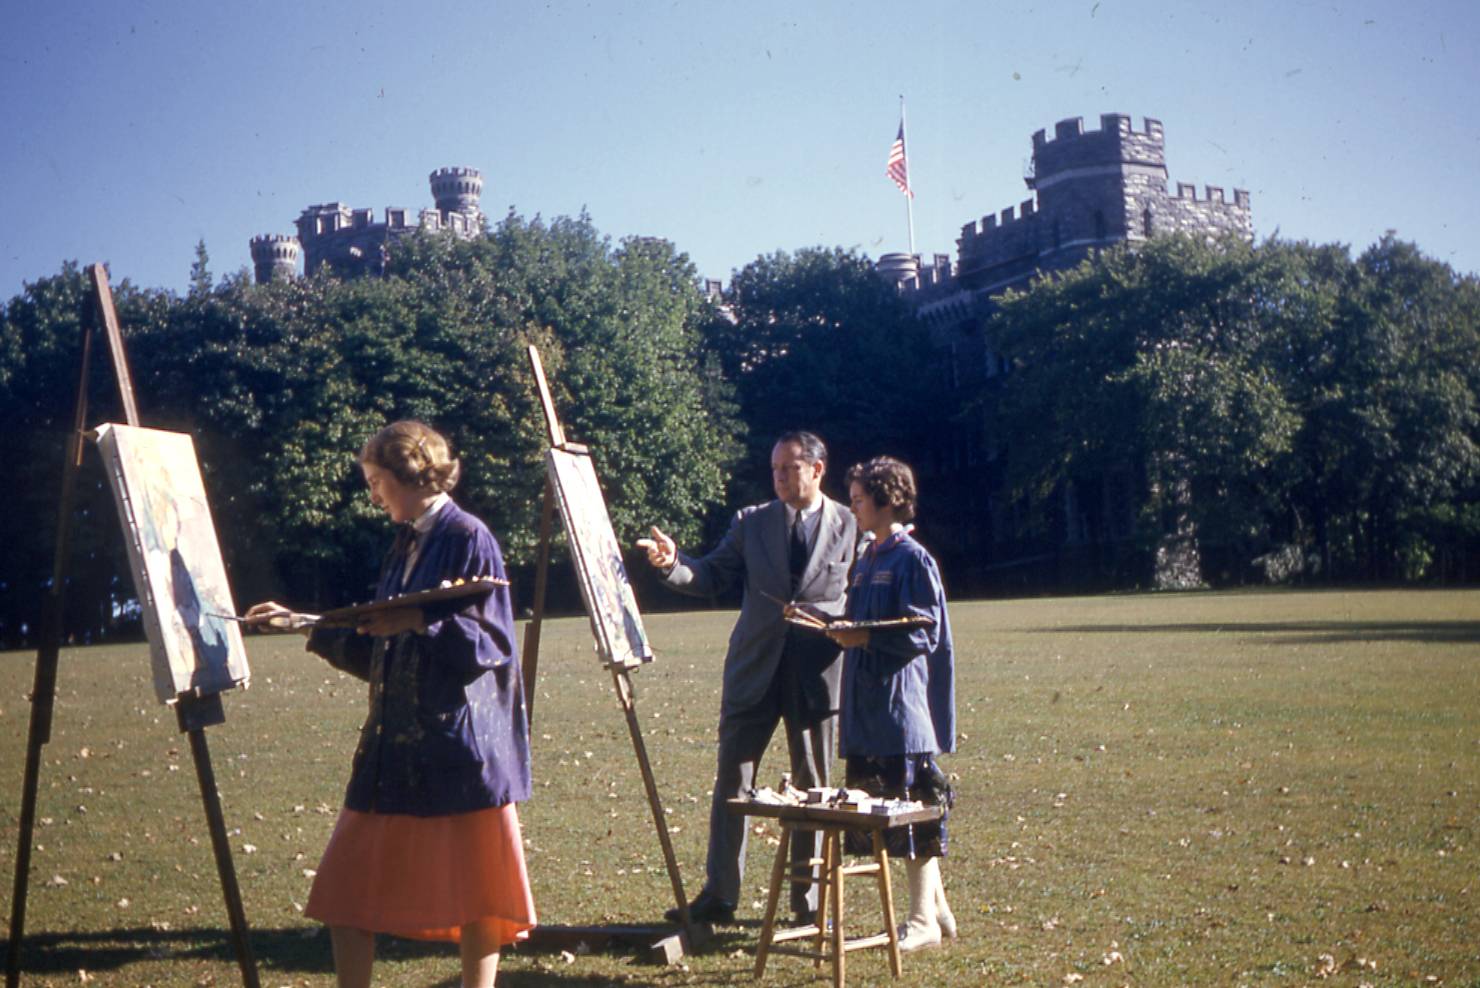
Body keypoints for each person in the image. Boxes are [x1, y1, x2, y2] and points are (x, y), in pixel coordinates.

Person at [245, 421, 535, 988]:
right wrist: (304, 624)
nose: (373, 495)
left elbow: (493, 644)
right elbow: (378, 654)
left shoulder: (468, 536)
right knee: (346, 892)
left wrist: (419, 622)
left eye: (377, 481)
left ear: (410, 474)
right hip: (390, 748)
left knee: (480, 894)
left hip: (459, 748)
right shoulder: (404, 542)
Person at [638, 431, 857, 925]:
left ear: (817, 470)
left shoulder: (850, 524)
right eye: (775, 469)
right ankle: (720, 896)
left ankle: (808, 903)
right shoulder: (751, 522)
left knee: (814, 790)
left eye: (789, 469)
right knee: (732, 785)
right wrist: (673, 564)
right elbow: (711, 575)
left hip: (817, 674)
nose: (779, 478)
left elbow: (862, 595)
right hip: (752, 669)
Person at [825, 456, 957, 951]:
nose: (853, 508)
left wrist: (867, 639)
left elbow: (926, 631)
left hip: (900, 714)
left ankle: (921, 921)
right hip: (864, 708)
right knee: (880, 812)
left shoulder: (912, 559)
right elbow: (861, 620)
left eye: (859, 500)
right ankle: (937, 911)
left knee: (912, 813)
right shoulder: (867, 556)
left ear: (885, 502)